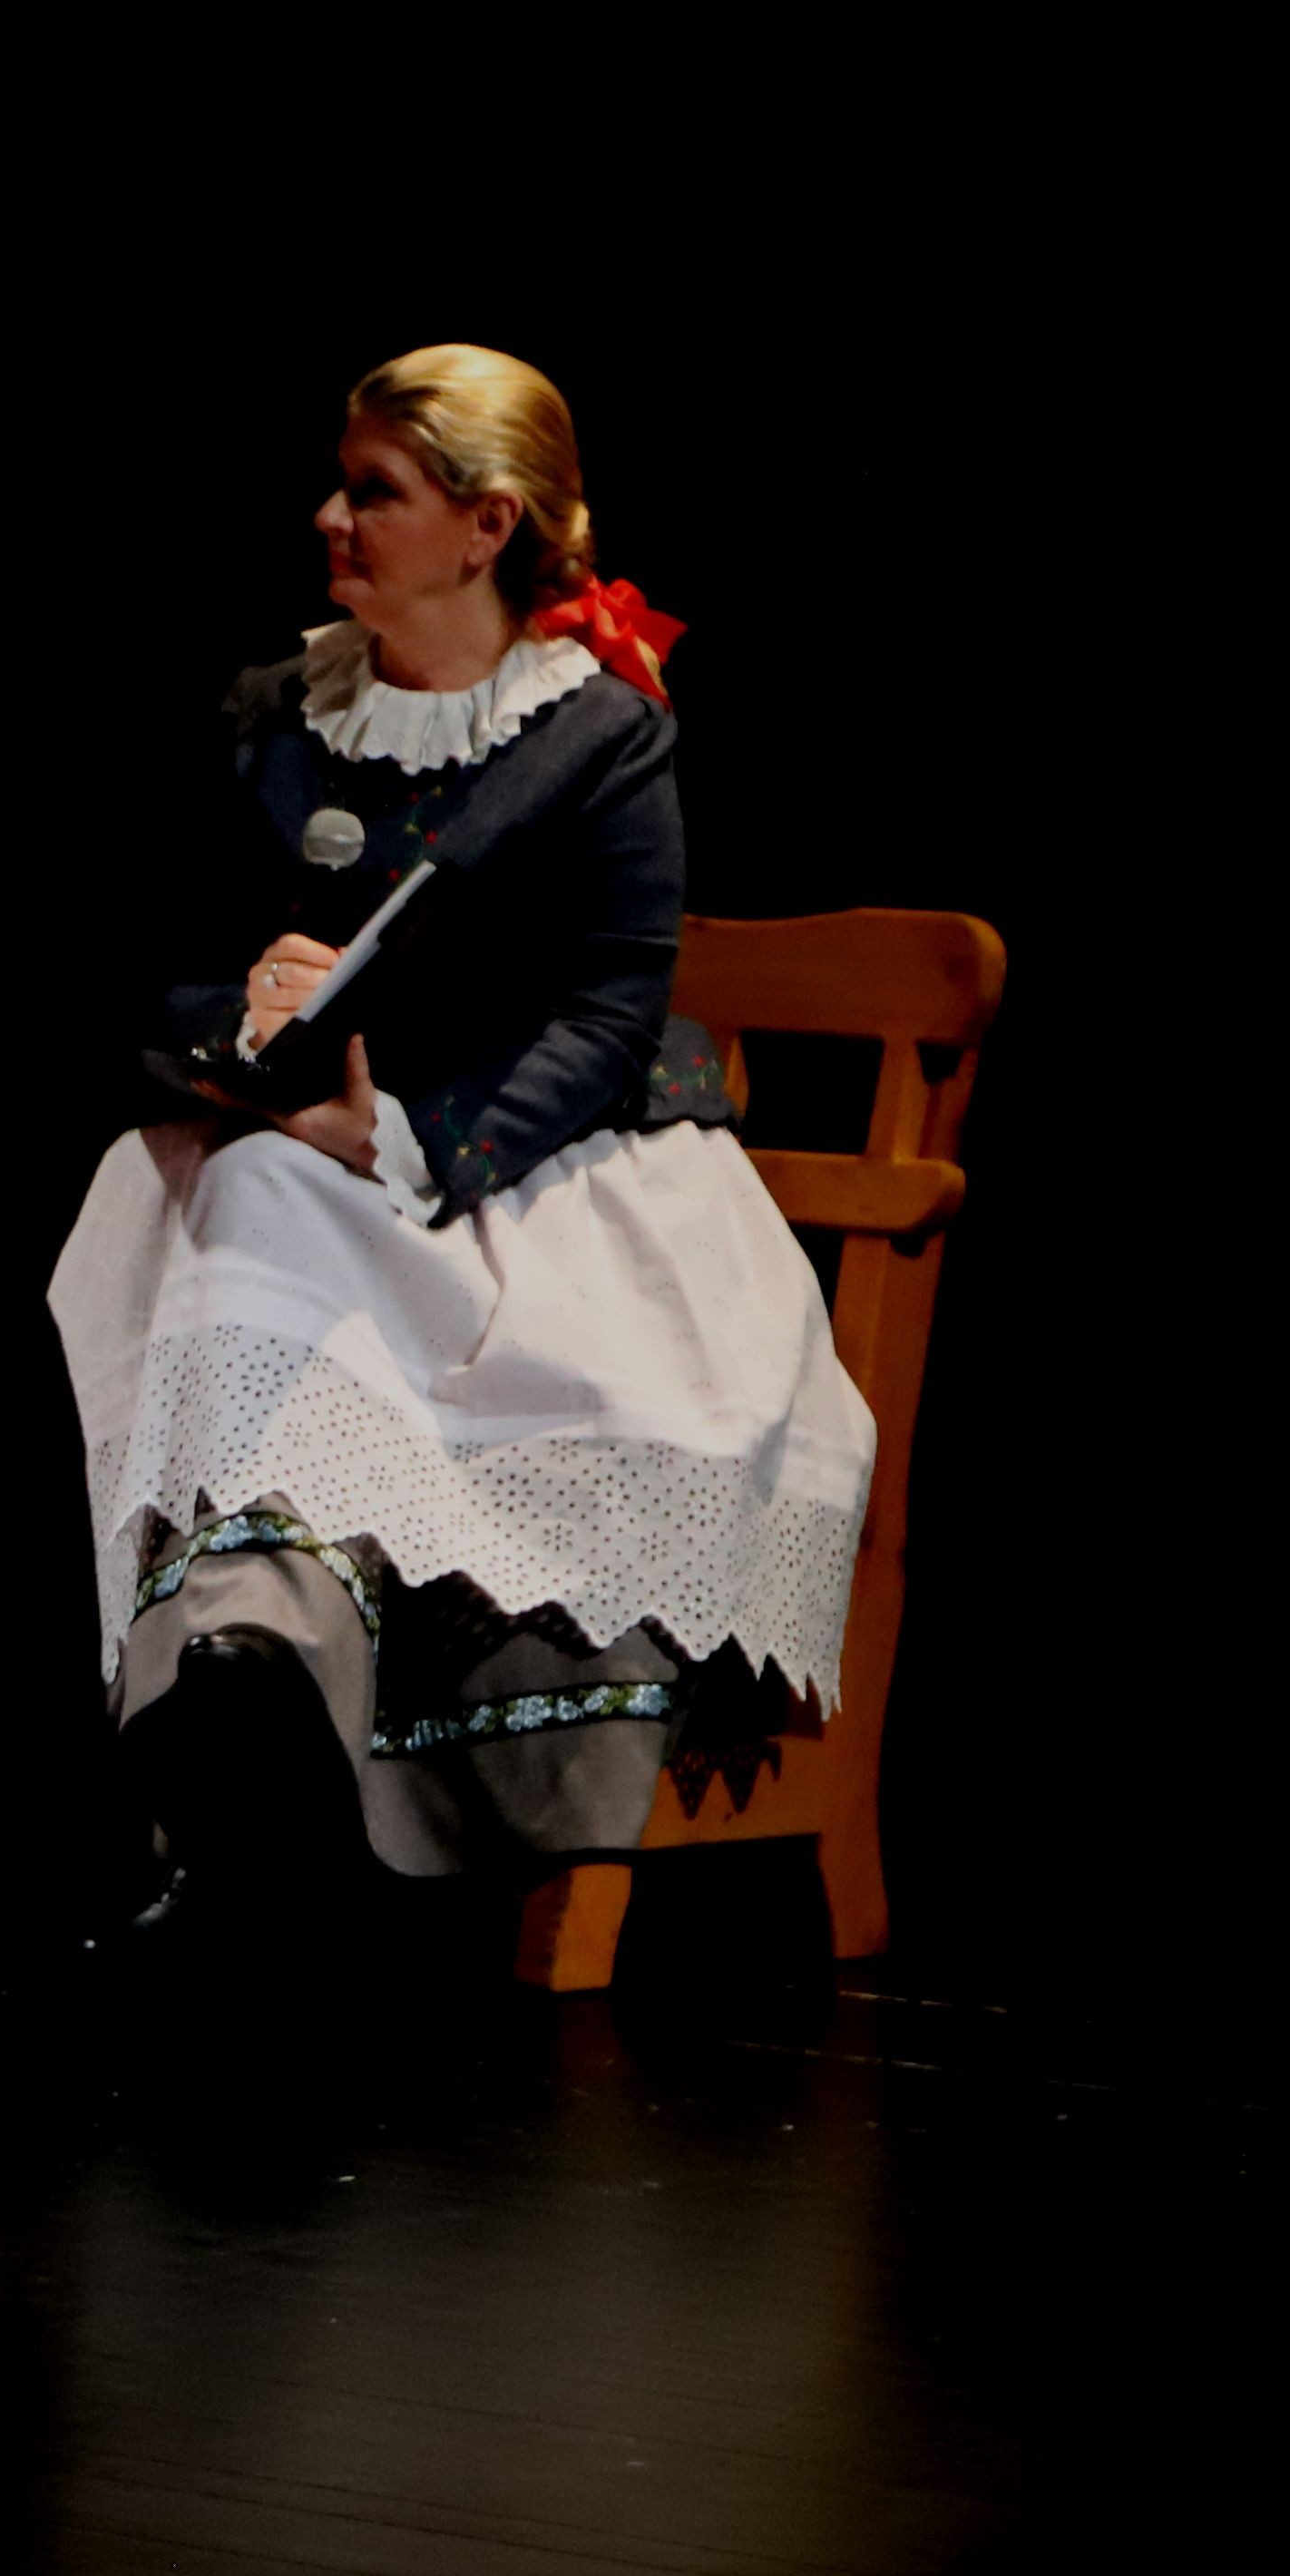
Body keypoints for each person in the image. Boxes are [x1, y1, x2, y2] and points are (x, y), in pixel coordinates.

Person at [51, 344, 868, 1952]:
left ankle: (350, 1760)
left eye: (375, 491)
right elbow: (152, 965)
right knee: (224, 1194)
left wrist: (422, 1144)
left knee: (317, 1225)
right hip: (300, 1143)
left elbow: (612, 1012)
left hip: (540, 1169)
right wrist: (249, 1009)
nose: (331, 517)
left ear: (488, 525)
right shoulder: (277, 711)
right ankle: (244, 1704)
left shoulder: (598, 733)